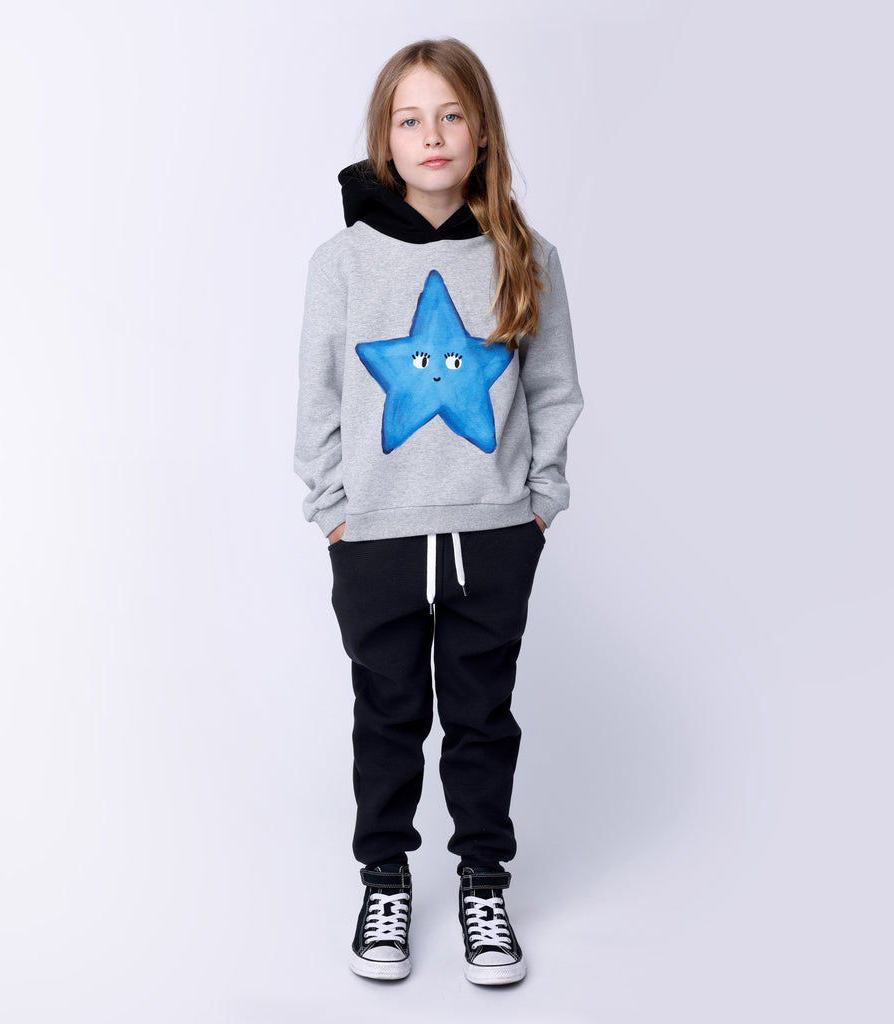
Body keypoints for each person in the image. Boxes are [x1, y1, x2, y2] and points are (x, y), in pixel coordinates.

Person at [293, 37, 583, 986]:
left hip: (493, 534)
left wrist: (538, 504)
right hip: (375, 539)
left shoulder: (524, 255)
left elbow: (552, 388)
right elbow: (319, 398)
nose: (432, 135)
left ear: (481, 131)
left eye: (452, 115)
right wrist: (335, 512)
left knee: (481, 716)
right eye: (411, 118)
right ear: (385, 138)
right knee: (386, 714)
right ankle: (384, 879)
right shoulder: (342, 263)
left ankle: (483, 884)